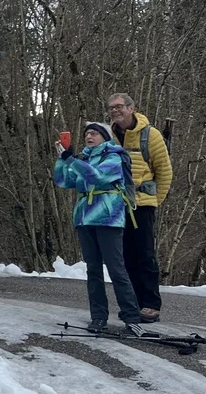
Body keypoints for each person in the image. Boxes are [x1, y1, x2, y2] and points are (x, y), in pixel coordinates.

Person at [54, 122, 151, 336]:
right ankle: (98, 317)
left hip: (108, 218)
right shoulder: (83, 159)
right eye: (87, 133)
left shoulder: (115, 156)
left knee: (116, 269)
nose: (89, 136)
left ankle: (132, 318)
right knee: (93, 270)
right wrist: (61, 160)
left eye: (95, 133)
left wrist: (70, 159)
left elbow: (97, 177)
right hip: (85, 219)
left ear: (105, 137)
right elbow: (63, 181)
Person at [107, 93, 173, 323]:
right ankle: (132, 303)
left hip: (142, 204)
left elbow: (165, 171)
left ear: (131, 108)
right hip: (116, 206)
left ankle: (151, 305)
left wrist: (155, 201)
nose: (115, 111)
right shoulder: (108, 135)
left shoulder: (150, 135)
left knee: (145, 255)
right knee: (125, 257)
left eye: (119, 106)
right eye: (112, 107)